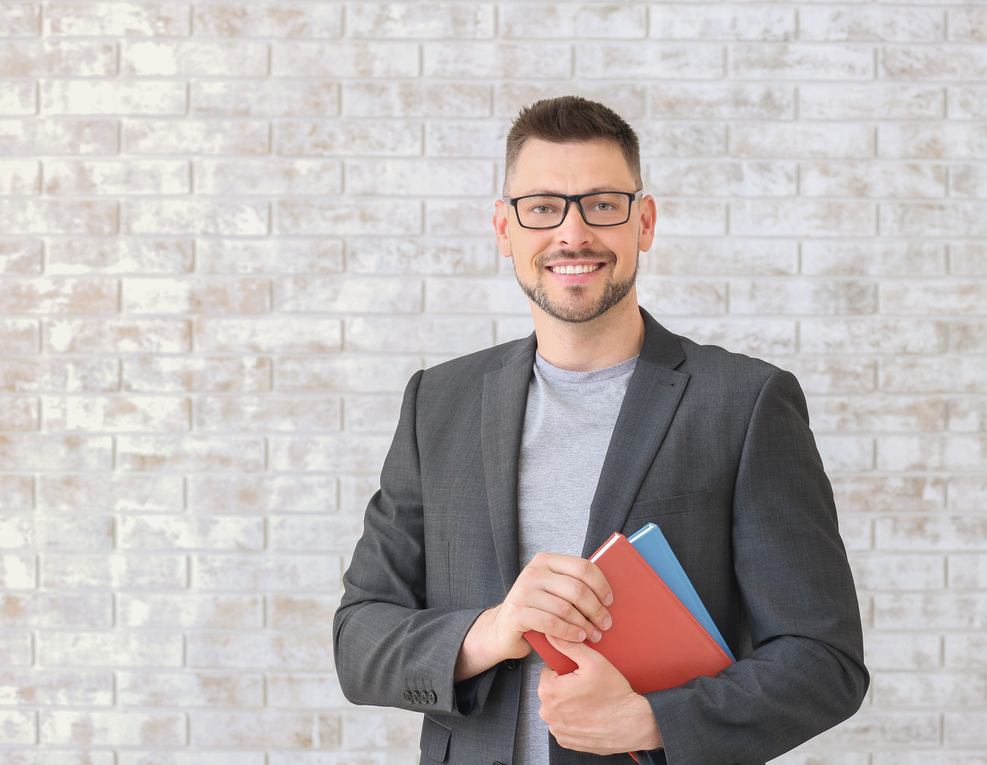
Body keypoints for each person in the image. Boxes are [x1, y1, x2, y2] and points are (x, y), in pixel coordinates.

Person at [334, 95, 869, 765]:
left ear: (642, 222)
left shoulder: (745, 403)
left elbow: (824, 661)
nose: (572, 232)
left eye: (601, 204)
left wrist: (653, 721)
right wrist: (496, 628)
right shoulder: (436, 403)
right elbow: (359, 639)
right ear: (504, 229)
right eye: (542, 207)